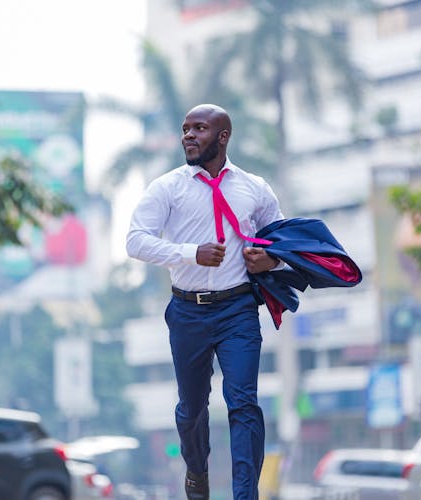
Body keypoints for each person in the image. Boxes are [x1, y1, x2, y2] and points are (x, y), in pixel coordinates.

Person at [126, 104, 284, 500]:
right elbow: (135, 240)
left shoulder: (254, 188)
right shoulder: (167, 188)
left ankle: (245, 495)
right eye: (185, 129)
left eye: (199, 128)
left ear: (223, 136)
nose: (189, 136)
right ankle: (197, 470)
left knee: (244, 403)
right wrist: (188, 253)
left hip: (238, 310)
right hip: (188, 311)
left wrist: (270, 259)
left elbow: (280, 240)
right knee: (192, 409)